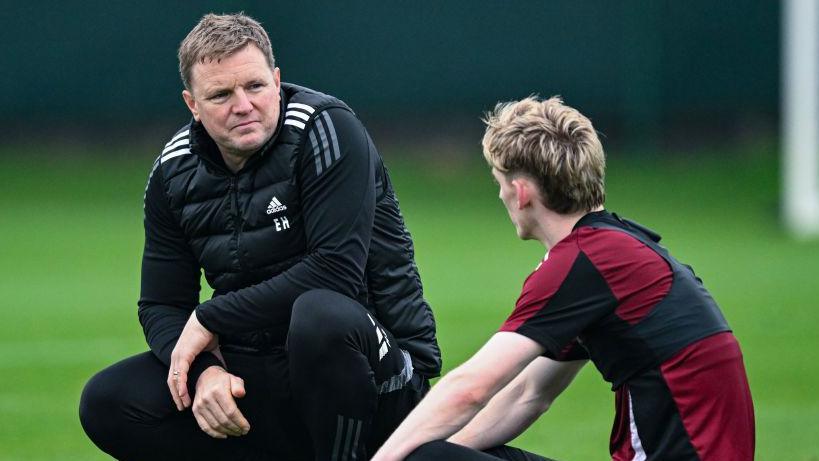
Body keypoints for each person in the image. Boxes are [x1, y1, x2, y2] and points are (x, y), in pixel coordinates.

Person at [78, 12, 440, 461]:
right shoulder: (172, 172)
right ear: (192, 104)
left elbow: (336, 273)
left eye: (255, 86)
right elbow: (162, 304)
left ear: (277, 79)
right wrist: (205, 372)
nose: (243, 104)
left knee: (319, 315)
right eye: (221, 94)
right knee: (108, 401)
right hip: (259, 371)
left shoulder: (325, 128)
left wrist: (211, 316)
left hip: (376, 374)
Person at [372, 96, 755, 461]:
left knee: (430, 454)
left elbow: (470, 388)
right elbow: (529, 392)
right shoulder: (613, 251)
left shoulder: (584, 261)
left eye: (499, 182)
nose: (501, 195)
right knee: (432, 453)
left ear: (521, 192)